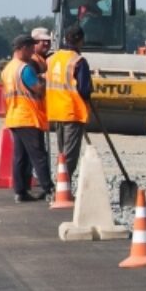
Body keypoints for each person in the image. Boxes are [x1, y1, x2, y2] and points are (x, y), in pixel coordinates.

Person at [1, 35, 54, 203]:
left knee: (20, 157)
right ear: (22, 48)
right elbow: (37, 89)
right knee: (38, 155)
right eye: (31, 48)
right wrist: (44, 80)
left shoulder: (8, 69)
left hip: (14, 116)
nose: (33, 52)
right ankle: (49, 189)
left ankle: (20, 191)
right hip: (28, 117)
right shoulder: (25, 69)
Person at [46, 25, 94, 186]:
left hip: (55, 110)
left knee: (62, 152)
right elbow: (85, 89)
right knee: (70, 154)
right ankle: (62, 187)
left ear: (65, 38)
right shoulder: (78, 61)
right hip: (72, 112)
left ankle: (59, 185)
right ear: (81, 40)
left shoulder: (52, 59)